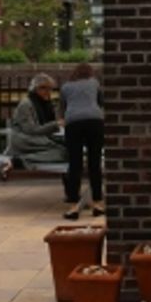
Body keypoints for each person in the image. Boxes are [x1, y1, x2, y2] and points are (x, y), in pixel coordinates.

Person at [7, 74, 67, 193]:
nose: (48, 91)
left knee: (70, 149)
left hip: (38, 139)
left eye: (50, 88)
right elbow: (31, 130)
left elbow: (47, 127)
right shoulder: (26, 104)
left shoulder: (46, 104)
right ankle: (19, 161)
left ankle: (71, 192)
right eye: (43, 88)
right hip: (25, 140)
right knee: (65, 152)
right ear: (35, 88)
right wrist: (56, 125)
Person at [60, 62, 105, 220]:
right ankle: (98, 204)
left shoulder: (65, 87)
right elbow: (100, 102)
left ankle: (73, 206)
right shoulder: (94, 83)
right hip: (95, 121)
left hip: (73, 123)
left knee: (75, 164)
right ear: (90, 73)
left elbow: (63, 107)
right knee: (95, 162)